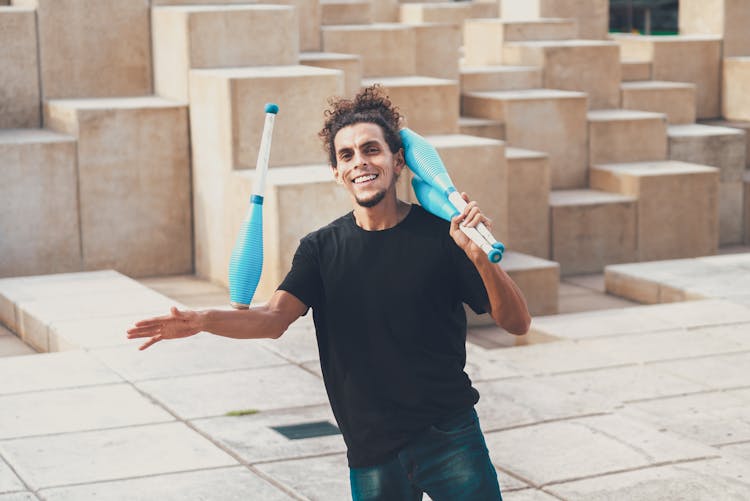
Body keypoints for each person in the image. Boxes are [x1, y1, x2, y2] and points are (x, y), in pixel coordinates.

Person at [127, 85, 531, 500]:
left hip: (449, 435)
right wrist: (202, 320)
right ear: (337, 172)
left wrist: (481, 257)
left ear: (398, 161)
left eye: (371, 149)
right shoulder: (320, 249)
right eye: (347, 155)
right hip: (371, 447)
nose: (360, 162)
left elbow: (517, 323)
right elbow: (272, 319)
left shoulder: (443, 237)